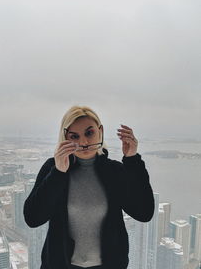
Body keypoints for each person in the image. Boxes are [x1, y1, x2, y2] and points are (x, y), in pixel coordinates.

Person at [23, 105, 155, 269]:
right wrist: (58, 173)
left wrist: (132, 160)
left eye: (89, 133)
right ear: (65, 137)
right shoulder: (53, 168)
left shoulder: (114, 171)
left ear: (100, 130)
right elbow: (33, 218)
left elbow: (144, 212)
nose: (83, 142)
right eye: (74, 136)